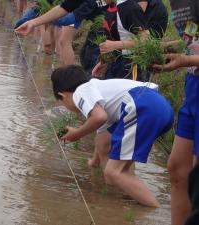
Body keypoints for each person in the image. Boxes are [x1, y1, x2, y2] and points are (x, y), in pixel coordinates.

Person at [51, 65, 174, 207]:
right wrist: (94, 162)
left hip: (143, 108)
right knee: (107, 146)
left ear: (63, 95)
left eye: (63, 103)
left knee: (113, 172)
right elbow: (102, 140)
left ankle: (154, 209)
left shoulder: (80, 92)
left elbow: (99, 117)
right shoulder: (98, 90)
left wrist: (77, 133)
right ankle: (124, 193)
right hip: (160, 107)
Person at [152, 0, 199, 224]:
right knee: (178, 169)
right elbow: (192, 37)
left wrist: (186, 60)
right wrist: (165, 48)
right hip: (193, 86)